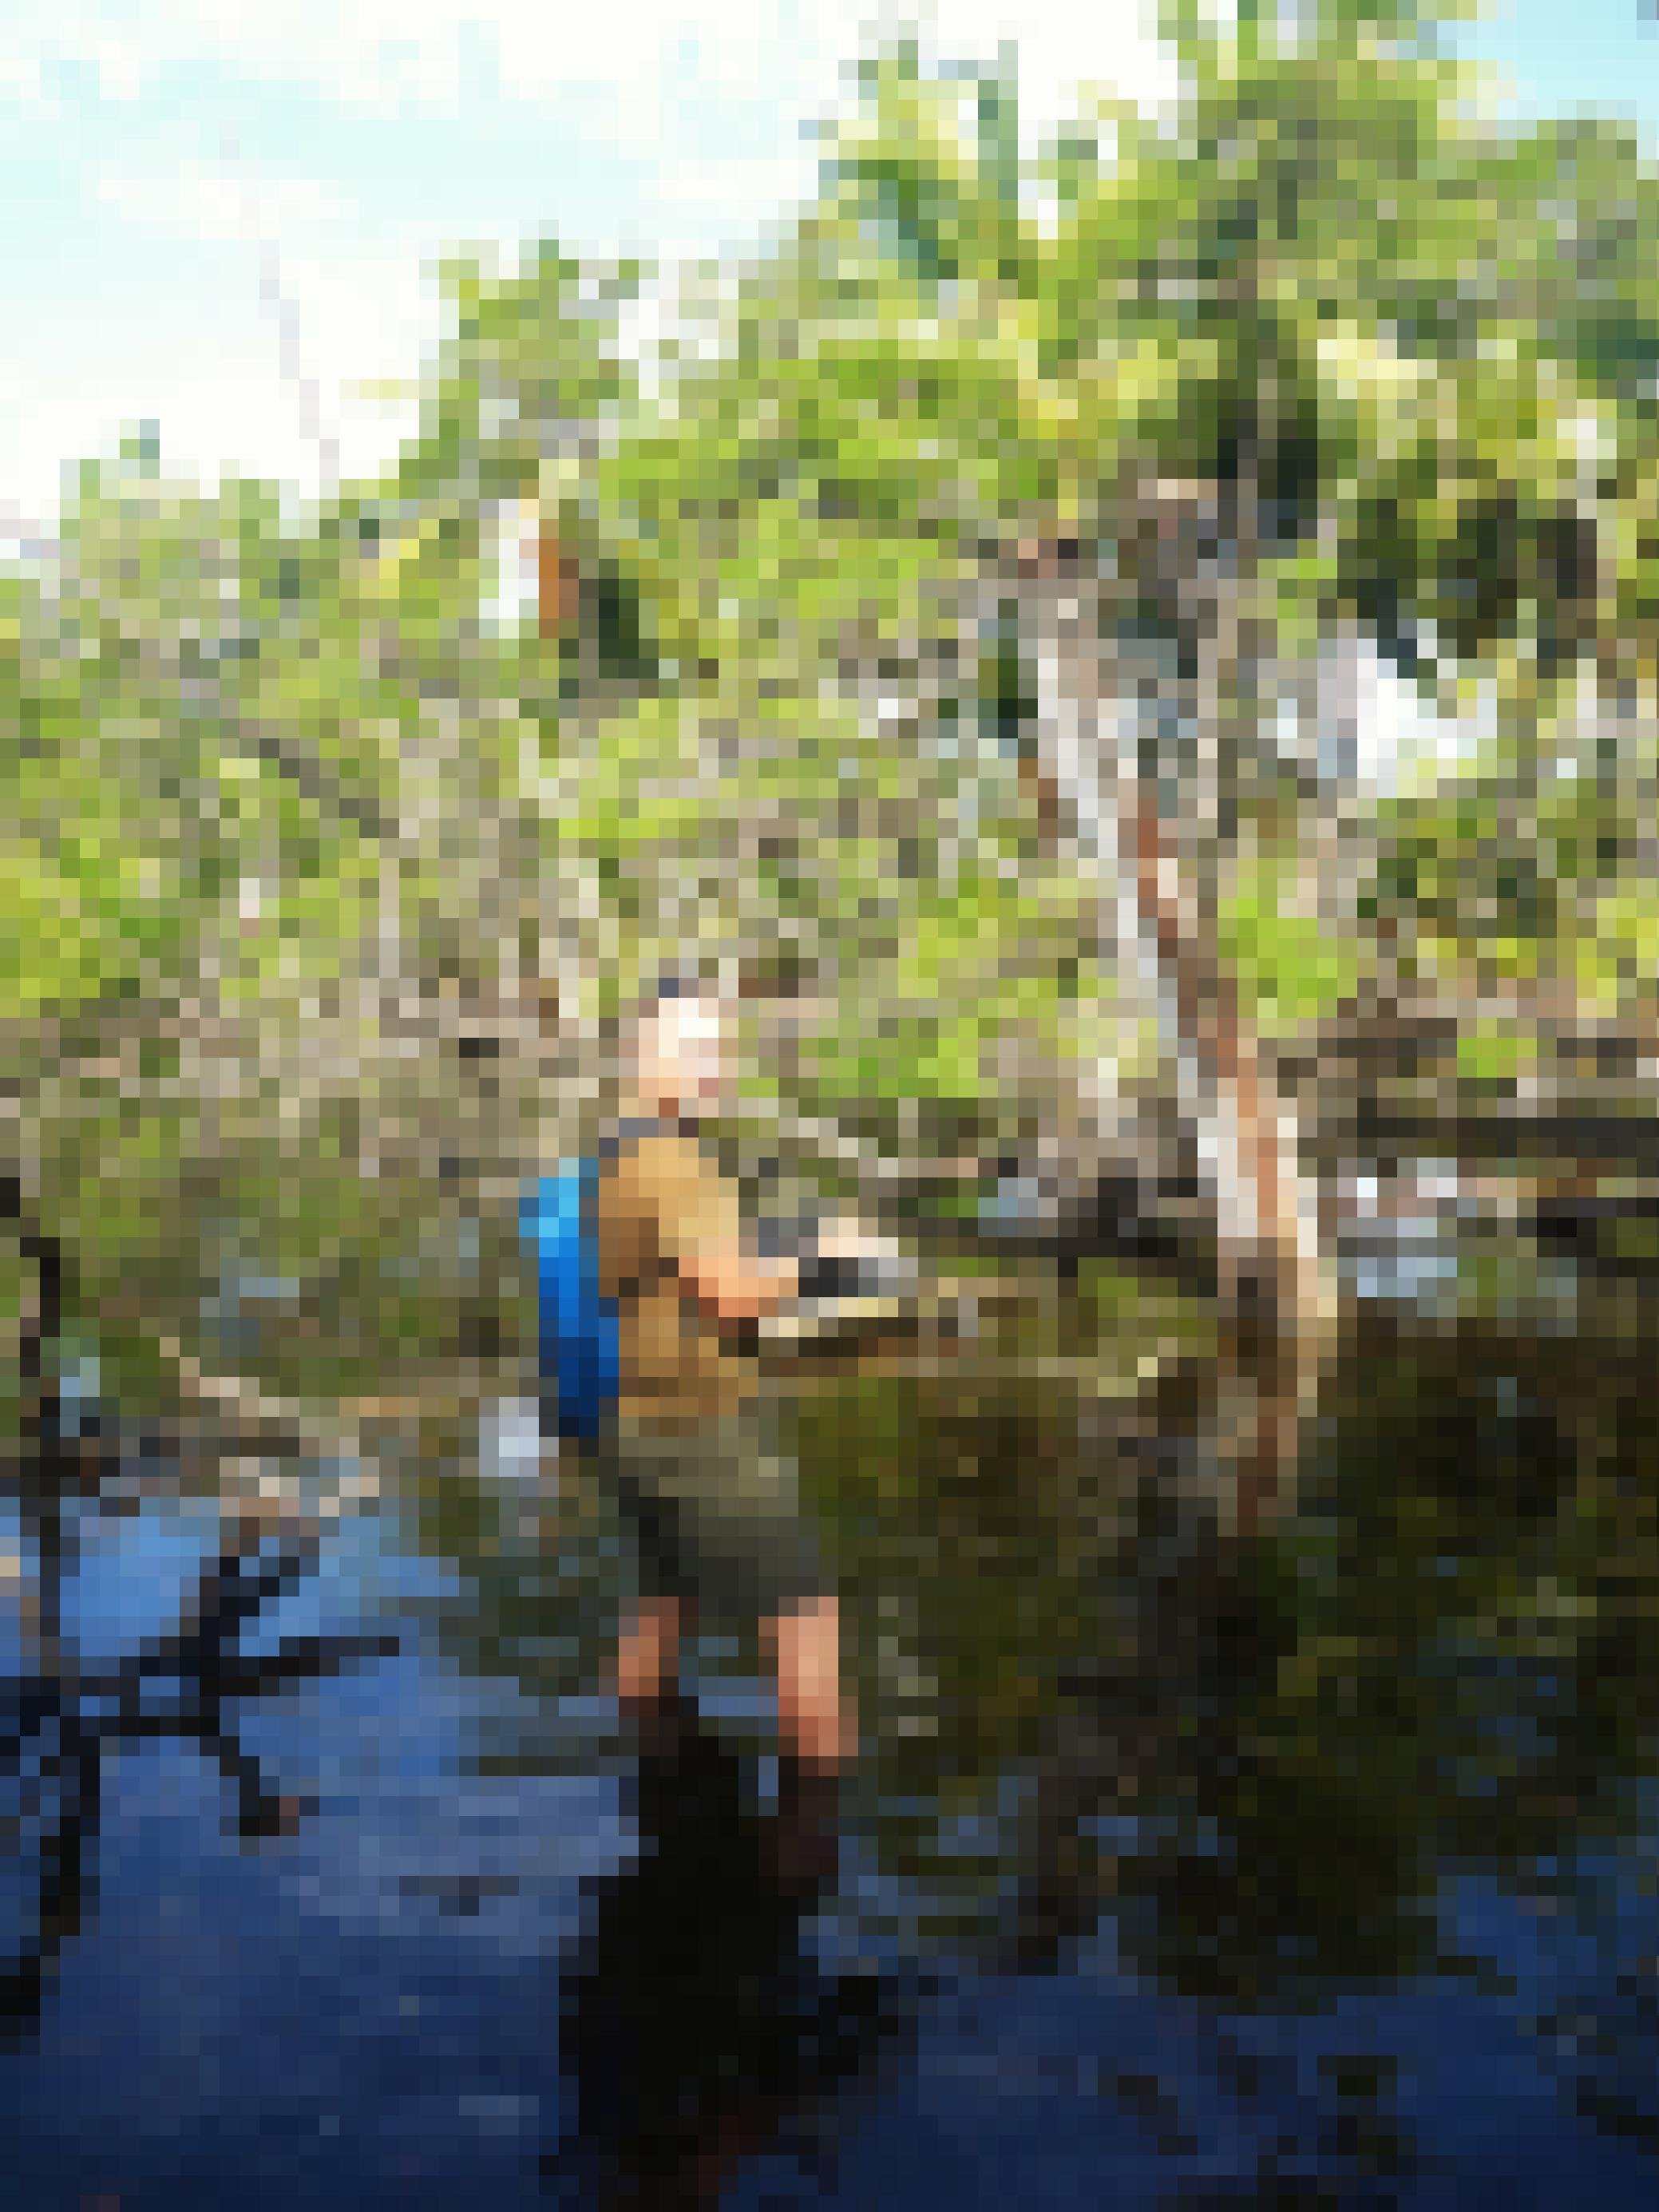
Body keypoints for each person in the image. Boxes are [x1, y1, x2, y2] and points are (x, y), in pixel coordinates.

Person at [587, 973, 872, 1779]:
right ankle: (813, 1831)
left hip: (628, 1418)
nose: (714, 1064)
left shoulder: (617, 1147)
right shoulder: (675, 1161)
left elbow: (665, 1272)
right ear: (642, 1053)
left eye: (719, 1046)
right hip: (700, 1427)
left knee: (660, 1603)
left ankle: (630, 1766)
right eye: (692, 1047)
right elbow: (731, 1292)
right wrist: (827, 1255)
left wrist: (766, 1247)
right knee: (806, 1616)